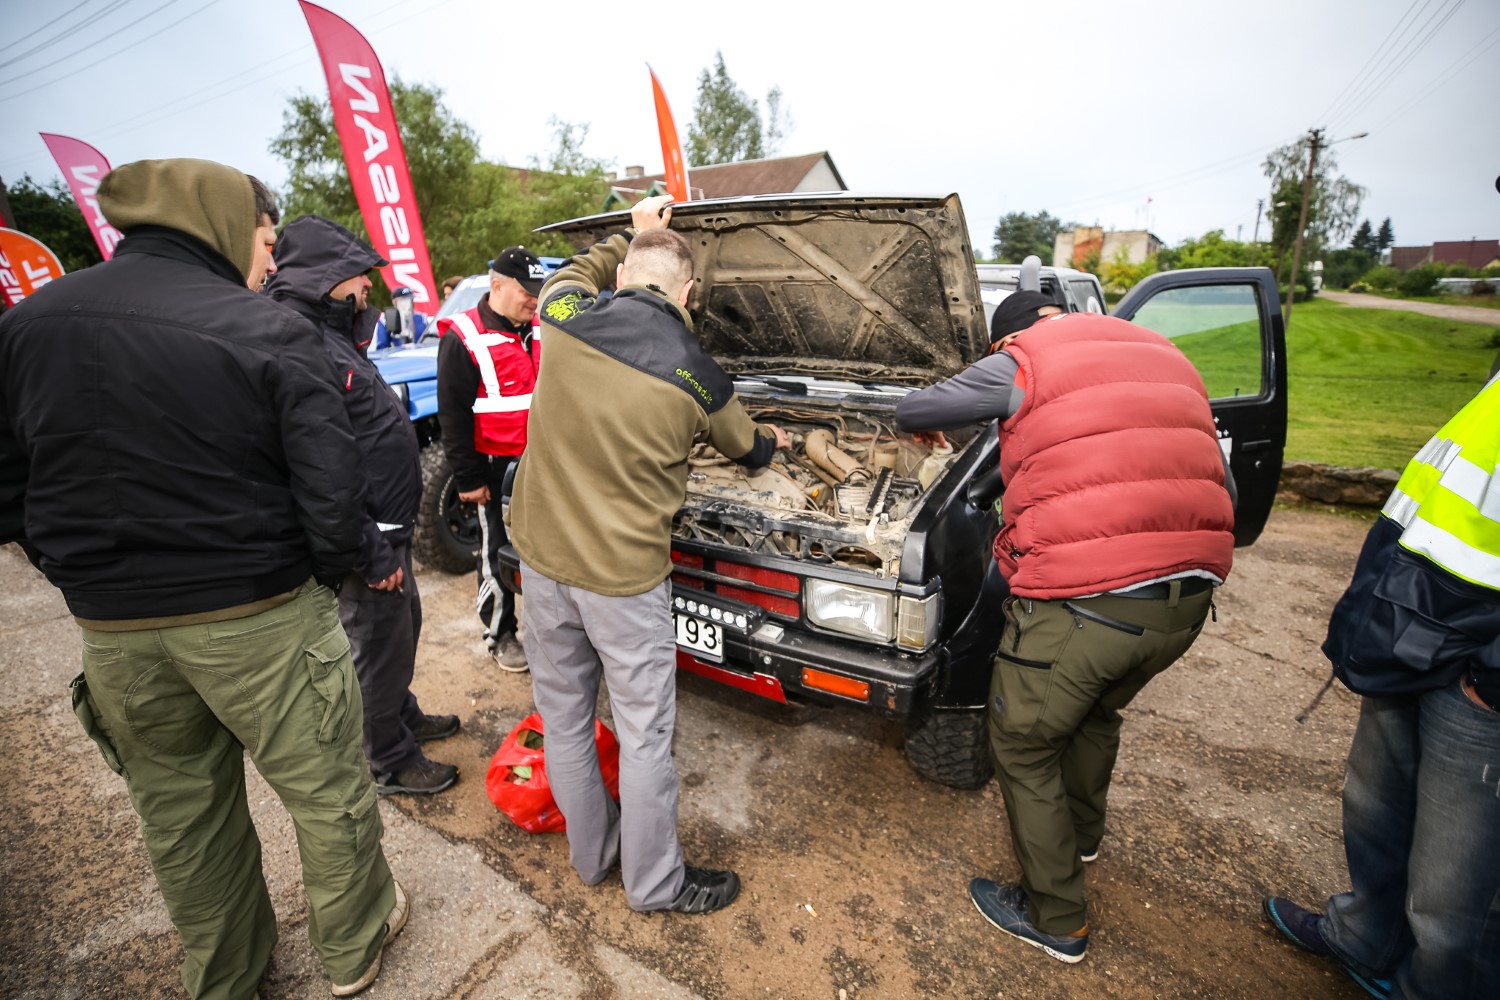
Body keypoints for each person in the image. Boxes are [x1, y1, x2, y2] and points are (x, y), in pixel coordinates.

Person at [0, 159, 406, 999]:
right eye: (266, 239)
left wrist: (88, 579)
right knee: (327, 794)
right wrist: (326, 581)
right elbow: (331, 496)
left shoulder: (28, 325)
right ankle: (354, 947)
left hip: (115, 636)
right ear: (223, 222)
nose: (270, 262)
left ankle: (227, 975)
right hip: (260, 614)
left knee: (182, 818)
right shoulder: (265, 329)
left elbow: (10, 488)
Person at [896, 290, 1237, 964]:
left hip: (1090, 603)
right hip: (1189, 599)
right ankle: (1081, 835)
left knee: (1021, 743)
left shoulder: (1026, 358)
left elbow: (918, 408)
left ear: (1011, 337)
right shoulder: (1164, 353)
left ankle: (1056, 917)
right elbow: (1215, 475)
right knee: (1095, 710)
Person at [510, 194, 787, 915]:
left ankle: (592, 858)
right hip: (623, 582)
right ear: (688, 294)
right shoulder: (697, 373)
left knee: (565, 718)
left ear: (625, 277)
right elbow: (748, 447)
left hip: (541, 563)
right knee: (643, 737)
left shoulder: (566, 317)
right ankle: (656, 885)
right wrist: (774, 444)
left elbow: (567, 277)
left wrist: (624, 236)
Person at [1263, 375, 1499, 1000]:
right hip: (1414, 632)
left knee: (1458, 873)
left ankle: (1436, 986)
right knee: (1376, 805)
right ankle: (1366, 934)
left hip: (1479, 672)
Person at [265, 215, 461, 797]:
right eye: (358, 275)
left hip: (387, 529)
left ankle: (401, 716)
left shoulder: (331, 332)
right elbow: (320, 468)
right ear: (327, 277)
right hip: (368, 537)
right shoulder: (300, 340)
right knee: (375, 648)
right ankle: (390, 759)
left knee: (403, 630)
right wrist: (371, 550)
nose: (369, 285)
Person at [436, 246, 546, 671]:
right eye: (526, 291)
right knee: (495, 553)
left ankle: (548, 630)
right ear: (497, 286)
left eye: (538, 291)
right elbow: (453, 416)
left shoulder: (537, 328)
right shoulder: (462, 337)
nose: (534, 300)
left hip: (541, 465)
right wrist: (467, 479)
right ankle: (500, 634)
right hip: (494, 470)